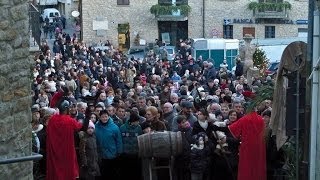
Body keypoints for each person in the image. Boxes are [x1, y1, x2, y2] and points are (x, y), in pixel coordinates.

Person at [213, 111, 266, 180]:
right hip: (259, 148)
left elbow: (229, 129)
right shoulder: (261, 120)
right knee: (257, 167)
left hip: (247, 148)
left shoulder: (245, 119)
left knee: (246, 168)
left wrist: (216, 128)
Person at [46, 99, 83, 180]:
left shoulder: (52, 119)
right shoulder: (69, 120)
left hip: (55, 150)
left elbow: (48, 131)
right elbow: (78, 126)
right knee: (67, 170)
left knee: (56, 169)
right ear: (66, 109)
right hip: (67, 150)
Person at [95, 109, 123, 180]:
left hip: (112, 154)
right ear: (100, 117)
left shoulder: (114, 127)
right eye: (103, 117)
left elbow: (119, 140)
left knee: (112, 173)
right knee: (103, 173)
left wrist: (119, 151)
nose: (104, 118)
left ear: (108, 117)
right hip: (101, 154)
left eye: (106, 116)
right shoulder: (96, 127)